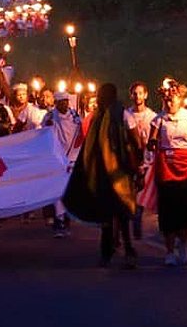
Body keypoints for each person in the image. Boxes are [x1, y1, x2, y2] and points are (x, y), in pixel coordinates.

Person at [63, 83, 138, 268]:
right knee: (105, 215)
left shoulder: (122, 115)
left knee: (122, 213)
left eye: (102, 96)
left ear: (110, 97)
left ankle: (128, 251)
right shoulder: (97, 117)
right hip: (102, 172)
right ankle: (106, 252)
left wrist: (137, 165)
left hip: (119, 172)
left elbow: (135, 141)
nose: (100, 99)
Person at [148, 78, 187, 267]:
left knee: (186, 209)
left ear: (180, 99)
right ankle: (169, 250)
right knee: (168, 210)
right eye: (168, 100)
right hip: (166, 168)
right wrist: (152, 143)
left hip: (186, 166)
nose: (171, 103)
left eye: (174, 99)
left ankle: (183, 244)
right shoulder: (159, 119)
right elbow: (151, 141)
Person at [43, 90, 83, 237]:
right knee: (58, 191)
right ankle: (59, 221)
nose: (65, 104)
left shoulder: (75, 116)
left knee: (68, 191)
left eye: (66, 101)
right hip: (56, 158)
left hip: (71, 158)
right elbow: (44, 134)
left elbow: (81, 134)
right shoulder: (49, 117)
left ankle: (65, 219)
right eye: (61, 102)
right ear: (56, 103)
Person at [124, 82, 157, 239]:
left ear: (146, 95)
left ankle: (137, 219)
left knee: (141, 194)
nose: (137, 96)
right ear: (131, 95)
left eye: (140, 93)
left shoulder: (152, 117)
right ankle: (132, 218)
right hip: (130, 160)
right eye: (134, 93)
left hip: (147, 160)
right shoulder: (126, 115)